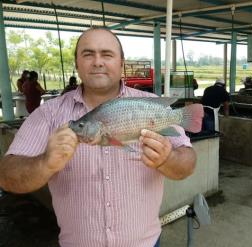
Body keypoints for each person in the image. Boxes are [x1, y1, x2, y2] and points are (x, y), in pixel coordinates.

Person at [0, 28, 196, 247]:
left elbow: (188, 163)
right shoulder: (48, 114)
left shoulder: (149, 105)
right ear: (76, 63)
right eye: (88, 54)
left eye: (107, 54)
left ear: (121, 62)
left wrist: (168, 159)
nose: (97, 62)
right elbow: (6, 177)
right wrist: (45, 162)